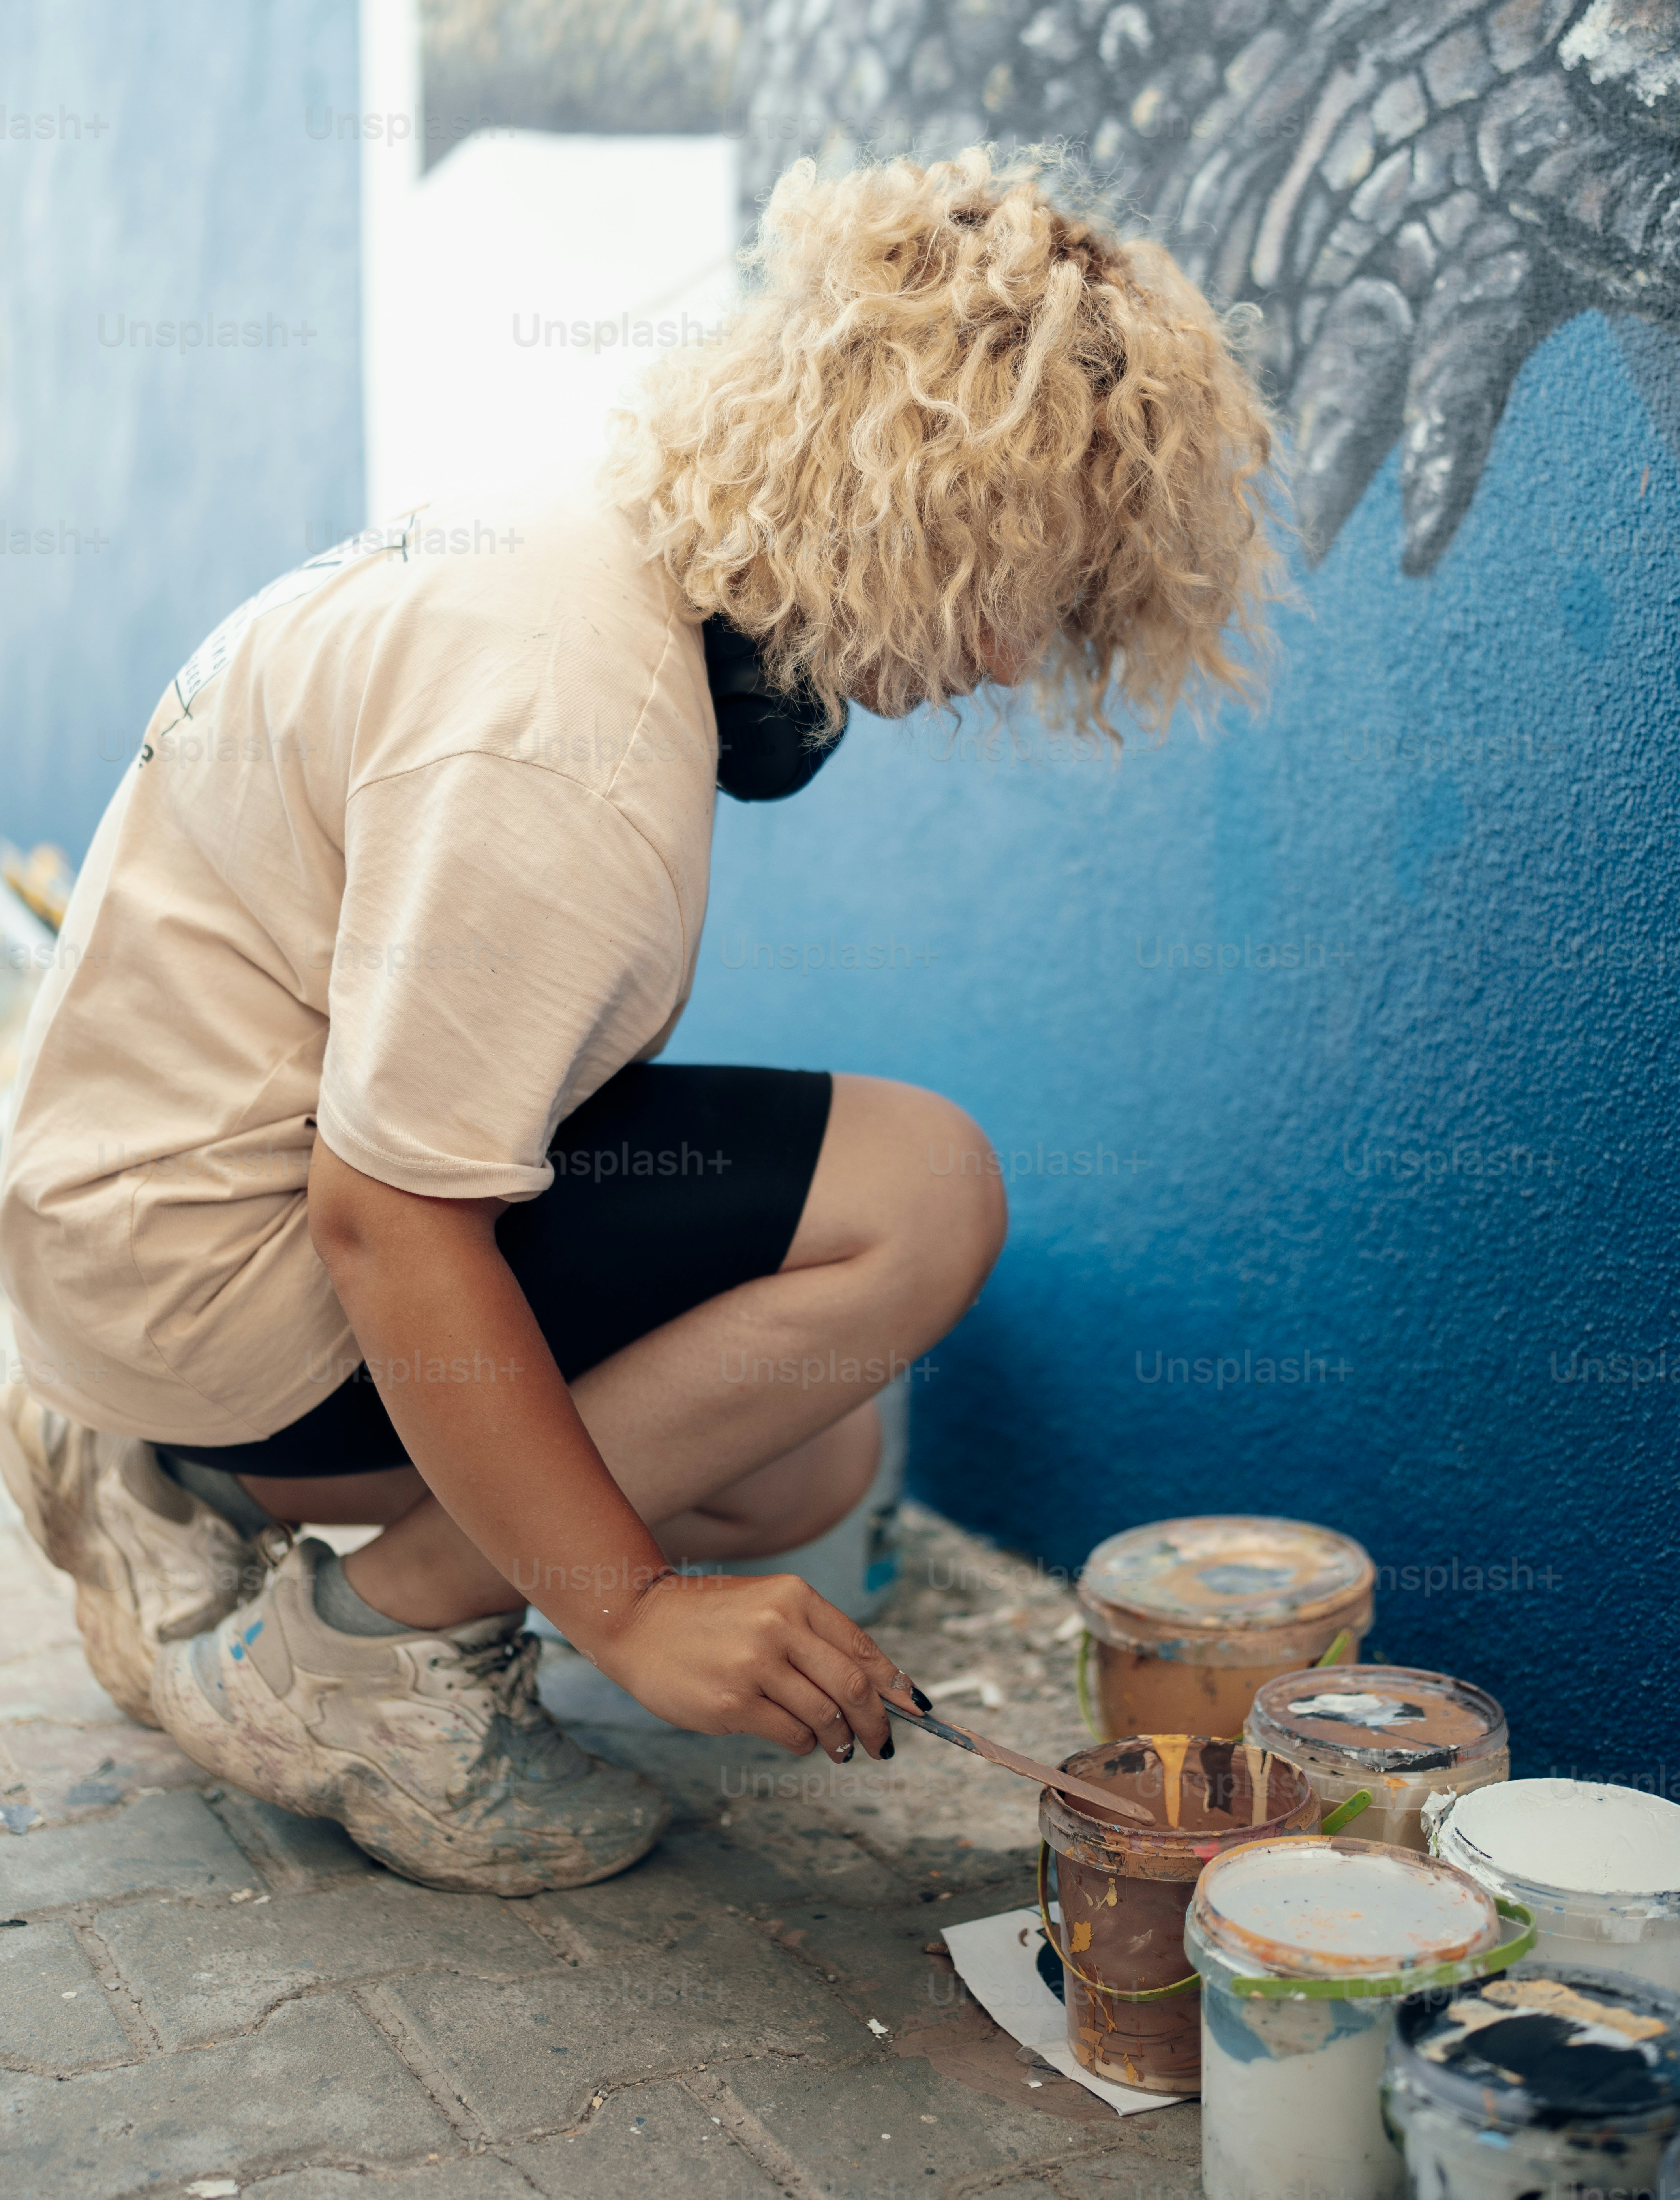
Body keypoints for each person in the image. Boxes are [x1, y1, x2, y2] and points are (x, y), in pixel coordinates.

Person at [0, 148, 1275, 1895]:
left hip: (135, 1220)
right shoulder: (571, 717)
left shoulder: (600, 543)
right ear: (928, 505)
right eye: (1033, 595)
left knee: (794, 1450)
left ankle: (171, 1496)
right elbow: (388, 1217)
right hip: (212, 1277)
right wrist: (635, 1611)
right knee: (929, 1191)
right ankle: (349, 1668)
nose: (1005, 665)